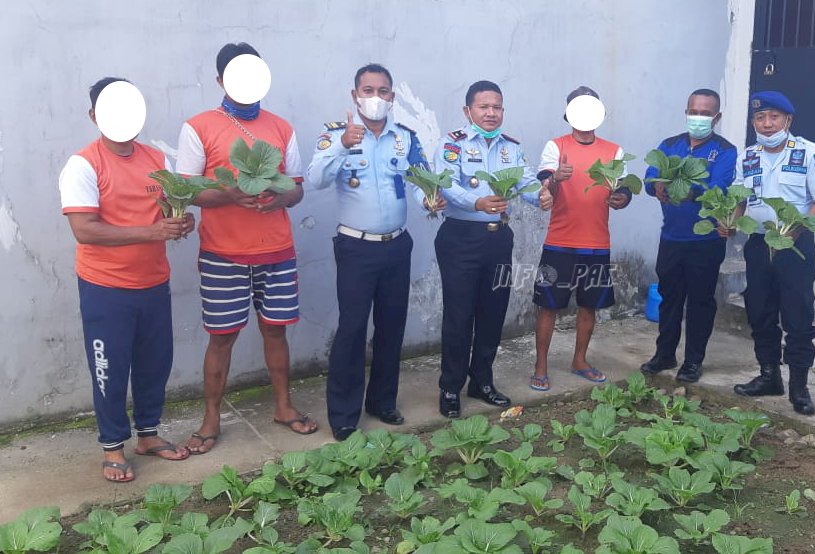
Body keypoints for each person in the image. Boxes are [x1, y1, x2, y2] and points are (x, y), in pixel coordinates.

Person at [176, 42, 316, 454]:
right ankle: (210, 420)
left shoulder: (282, 127)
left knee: (276, 332)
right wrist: (232, 195)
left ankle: (283, 407)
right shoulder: (198, 127)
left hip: (276, 250)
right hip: (223, 255)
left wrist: (279, 197)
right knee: (221, 338)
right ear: (220, 80)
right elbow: (188, 191)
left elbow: (297, 190)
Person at [59, 77, 194, 482]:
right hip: (106, 288)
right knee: (110, 369)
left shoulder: (157, 159)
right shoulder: (83, 164)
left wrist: (181, 221)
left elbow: (170, 214)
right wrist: (154, 233)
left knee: (156, 364)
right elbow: (85, 230)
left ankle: (149, 435)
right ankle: (113, 446)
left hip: (153, 282)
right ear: (93, 115)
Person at [306, 63, 443, 441]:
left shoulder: (405, 138)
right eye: (368, 90)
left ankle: (382, 401)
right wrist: (342, 145)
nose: (376, 98)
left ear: (392, 97)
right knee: (352, 330)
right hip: (355, 247)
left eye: (383, 91)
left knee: (391, 325)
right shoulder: (338, 135)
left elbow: (420, 181)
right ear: (355, 96)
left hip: (397, 245)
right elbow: (315, 179)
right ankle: (344, 415)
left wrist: (430, 200)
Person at [431, 80, 552, 419]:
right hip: (460, 238)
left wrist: (541, 195)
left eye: (497, 107)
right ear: (468, 110)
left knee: (492, 311)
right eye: (484, 107)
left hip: (498, 239)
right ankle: (450, 387)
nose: (491, 113)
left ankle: (481, 380)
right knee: (459, 315)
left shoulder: (509, 147)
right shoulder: (451, 145)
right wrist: (477, 202)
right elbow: (446, 183)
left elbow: (525, 180)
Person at [731, 91, 815, 416]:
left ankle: (799, 387)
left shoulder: (809, 152)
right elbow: (740, 199)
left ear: (788, 120)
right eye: (760, 118)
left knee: (798, 315)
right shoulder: (747, 156)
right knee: (759, 311)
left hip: (794, 245)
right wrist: (729, 222)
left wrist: (799, 226)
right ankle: (768, 375)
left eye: (774, 117)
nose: (767, 123)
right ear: (753, 122)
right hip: (760, 245)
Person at [530, 86, 631, 391]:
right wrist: (554, 179)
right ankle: (541, 366)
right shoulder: (555, 147)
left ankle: (579, 361)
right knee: (548, 306)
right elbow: (546, 189)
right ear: (569, 112)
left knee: (589, 306)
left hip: (597, 243)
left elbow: (623, 191)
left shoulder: (614, 151)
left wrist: (621, 199)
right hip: (559, 241)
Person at [640, 88, 738, 383]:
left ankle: (693, 361)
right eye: (694, 111)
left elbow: (717, 188)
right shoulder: (669, 145)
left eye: (706, 113)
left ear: (717, 117)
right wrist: (656, 186)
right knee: (669, 298)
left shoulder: (724, 150)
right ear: (686, 112)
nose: (698, 117)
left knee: (700, 301)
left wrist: (687, 190)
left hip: (705, 241)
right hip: (671, 237)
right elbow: (649, 177)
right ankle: (664, 354)